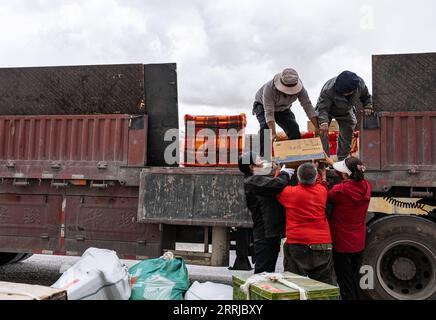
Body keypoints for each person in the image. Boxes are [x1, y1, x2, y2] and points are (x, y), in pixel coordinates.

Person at [276, 162, 335, 285]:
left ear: (298, 178)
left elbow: (276, 187)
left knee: (295, 286)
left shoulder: (289, 193)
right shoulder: (322, 192)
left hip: (297, 243)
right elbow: (320, 184)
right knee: (324, 287)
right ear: (315, 178)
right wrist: (322, 175)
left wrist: (278, 172)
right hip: (322, 243)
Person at [325, 156, 372, 300]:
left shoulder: (340, 190)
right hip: (358, 242)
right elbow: (349, 177)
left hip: (342, 244)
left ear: (345, 175)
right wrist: (333, 164)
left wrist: (322, 176)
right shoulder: (366, 186)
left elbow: (326, 195)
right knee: (355, 279)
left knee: (345, 284)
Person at [239, 152, 293, 273]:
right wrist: (285, 174)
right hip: (265, 233)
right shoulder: (252, 180)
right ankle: (256, 291)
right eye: (259, 160)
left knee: (268, 269)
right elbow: (277, 184)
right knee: (263, 272)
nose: (262, 161)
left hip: (270, 232)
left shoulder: (256, 179)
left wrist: (278, 172)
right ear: (252, 167)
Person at [253, 68, 319, 157]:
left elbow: (308, 106)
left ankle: (295, 157)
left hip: (283, 109)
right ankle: (264, 158)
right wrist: (273, 133)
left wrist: (317, 126)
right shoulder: (269, 88)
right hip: (262, 106)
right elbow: (269, 112)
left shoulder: (301, 89)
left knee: (294, 128)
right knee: (266, 129)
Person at [316, 71, 373, 161]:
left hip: (345, 110)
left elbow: (366, 96)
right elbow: (323, 108)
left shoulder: (360, 84)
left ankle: (343, 160)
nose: (341, 93)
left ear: (352, 91)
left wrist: (368, 106)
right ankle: (323, 160)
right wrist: (323, 122)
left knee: (349, 129)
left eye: (343, 92)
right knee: (322, 131)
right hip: (327, 110)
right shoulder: (328, 89)